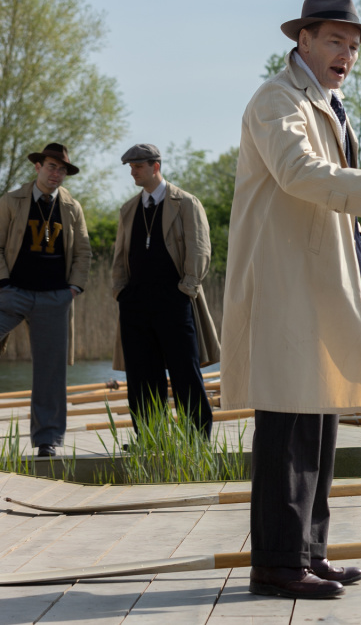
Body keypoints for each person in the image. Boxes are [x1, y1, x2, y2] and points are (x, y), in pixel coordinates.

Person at [223, 0, 361, 600]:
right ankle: (276, 566)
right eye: (336, 41)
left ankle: (308, 553)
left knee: (318, 419)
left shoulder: (326, 103)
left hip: (319, 278)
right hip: (284, 281)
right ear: (303, 41)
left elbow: (323, 191)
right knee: (286, 423)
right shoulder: (276, 100)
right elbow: (298, 173)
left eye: (355, 44)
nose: (348, 53)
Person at [111, 143, 219, 438]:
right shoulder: (128, 208)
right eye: (131, 167)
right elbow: (119, 256)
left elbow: (200, 249)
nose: (133, 172)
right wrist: (120, 291)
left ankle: (198, 439)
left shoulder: (185, 203)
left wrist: (186, 288)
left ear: (155, 166)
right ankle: (149, 439)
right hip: (134, 305)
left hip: (175, 301)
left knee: (185, 372)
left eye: (138, 167)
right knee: (141, 376)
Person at [0, 143, 91, 458]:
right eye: (51, 167)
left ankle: (47, 440)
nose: (57, 174)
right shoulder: (11, 201)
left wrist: (73, 289)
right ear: (37, 167)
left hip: (55, 298)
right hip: (14, 294)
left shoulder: (71, 207)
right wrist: (4, 284)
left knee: (50, 373)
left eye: (62, 169)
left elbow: (83, 252)